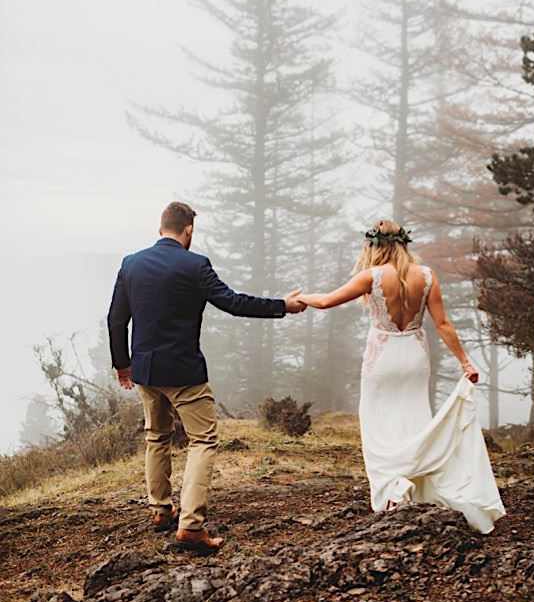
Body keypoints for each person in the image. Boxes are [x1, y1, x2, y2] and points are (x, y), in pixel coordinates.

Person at [107, 201, 307, 555]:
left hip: (145, 371)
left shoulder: (131, 263)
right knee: (203, 441)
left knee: (157, 436)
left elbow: (116, 319)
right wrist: (281, 306)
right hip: (183, 372)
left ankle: (159, 511)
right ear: (188, 231)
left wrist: (123, 364)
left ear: (159, 229)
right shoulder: (195, 265)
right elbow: (233, 302)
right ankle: (191, 527)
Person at [297, 220, 505, 534]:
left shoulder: (373, 276)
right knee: (415, 422)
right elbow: (443, 324)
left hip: (382, 358)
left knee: (379, 426)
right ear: (403, 244)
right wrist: (465, 362)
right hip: (415, 356)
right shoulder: (427, 276)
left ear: (375, 246)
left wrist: (301, 298)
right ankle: (412, 485)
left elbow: (326, 301)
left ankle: (394, 492)